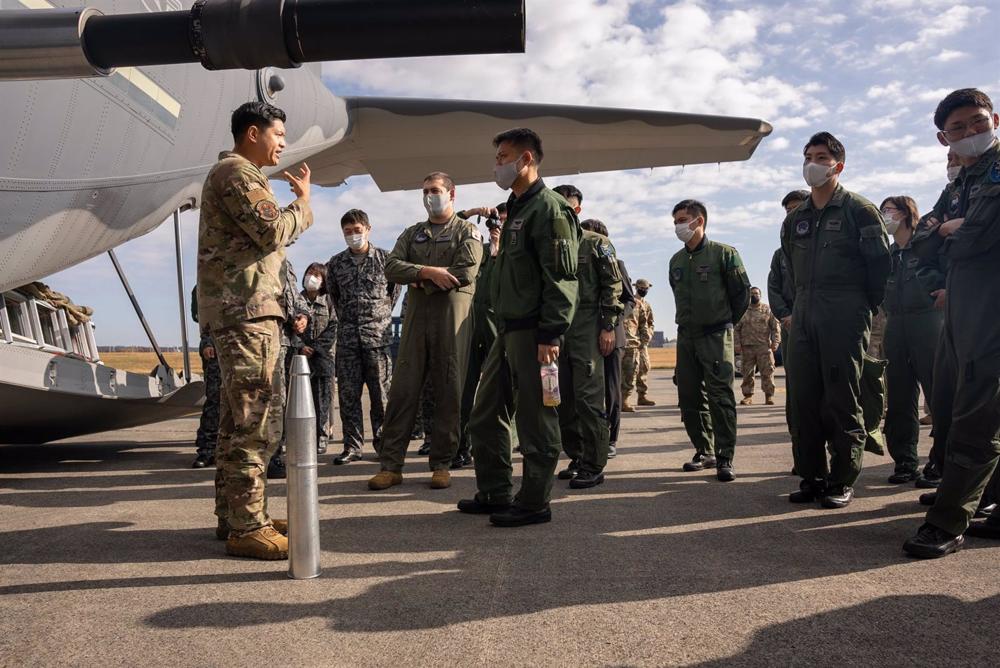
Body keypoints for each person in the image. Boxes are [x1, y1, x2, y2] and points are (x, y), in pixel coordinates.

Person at [196, 101, 313, 560]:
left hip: (242, 311)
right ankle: (248, 526)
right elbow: (271, 230)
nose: (282, 142)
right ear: (252, 133)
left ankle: (238, 516)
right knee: (255, 423)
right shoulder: (238, 174)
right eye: (278, 133)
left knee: (234, 420)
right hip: (246, 311)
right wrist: (303, 206)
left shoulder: (237, 175)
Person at [460, 127, 581, 527]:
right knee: (485, 411)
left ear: (526, 159)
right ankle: (495, 490)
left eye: (503, 157)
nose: (497, 165)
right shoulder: (517, 209)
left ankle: (534, 501)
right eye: (497, 157)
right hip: (507, 329)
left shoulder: (549, 209)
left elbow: (561, 278)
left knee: (535, 417)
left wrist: (551, 333)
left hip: (534, 332)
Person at [903, 88, 1000, 557]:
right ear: (944, 138)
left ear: (994, 119)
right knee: (956, 403)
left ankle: (947, 521)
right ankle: (993, 504)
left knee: (975, 418)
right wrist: (944, 229)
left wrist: (948, 232)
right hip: (964, 304)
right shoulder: (960, 182)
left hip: (992, 305)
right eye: (958, 128)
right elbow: (921, 240)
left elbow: (978, 239)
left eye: (977, 122)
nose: (970, 133)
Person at [780, 131, 890, 509]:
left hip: (845, 310)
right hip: (805, 311)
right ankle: (811, 475)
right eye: (808, 155)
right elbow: (788, 266)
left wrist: (861, 307)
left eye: (822, 156)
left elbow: (880, 267)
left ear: (838, 165)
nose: (813, 162)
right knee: (802, 400)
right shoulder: (796, 219)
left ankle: (842, 478)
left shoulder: (859, 210)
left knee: (842, 398)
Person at [367, 172, 483, 491]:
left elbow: (465, 272)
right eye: (426, 191)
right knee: (404, 388)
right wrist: (427, 272)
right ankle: (391, 465)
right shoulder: (412, 233)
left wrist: (417, 280)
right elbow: (391, 267)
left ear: (451, 194)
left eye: (436, 190)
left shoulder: (466, 231)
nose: (431, 196)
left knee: (449, 388)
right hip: (419, 318)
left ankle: (442, 463)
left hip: (452, 317)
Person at [669, 200, 750, 482]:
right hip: (686, 336)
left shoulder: (724, 254)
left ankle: (725, 456)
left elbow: (741, 295)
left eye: (682, 219)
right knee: (689, 396)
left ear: (699, 221)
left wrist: (724, 322)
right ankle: (704, 450)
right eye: (675, 221)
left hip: (715, 334)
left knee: (720, 397)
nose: (678, 226)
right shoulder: (676, 261)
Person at [552, 211, 623, 489]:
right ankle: (578, 457)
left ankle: (594, 463)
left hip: (588, 325)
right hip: (559, 326)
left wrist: (607, 326)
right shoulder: (554, 243)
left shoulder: (596, 243)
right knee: (563, 398)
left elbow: (612, 285)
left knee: (588, 398)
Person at [879, 196, 945, 485]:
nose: (884, 216)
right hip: (896, 323)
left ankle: (941, 462)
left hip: (928, 321)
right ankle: (905, 462)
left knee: (938, 394)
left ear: (906, 214)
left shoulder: (928, 246)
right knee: (899, 397)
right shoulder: (889, 254)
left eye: (889, 211)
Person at [326, 209, 400, 465]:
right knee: (349, 396)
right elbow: (334, 297)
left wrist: (377, 318)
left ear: (368, 229)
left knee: (381, 396)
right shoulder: (335, 264)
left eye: (357, 230)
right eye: (348, 232)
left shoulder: (386, 259)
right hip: (347, 340)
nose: (353, 235)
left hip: (377, 339)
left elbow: (394, 293)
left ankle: (384, 445)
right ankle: (352, 446)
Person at [456, 202, 509, 469]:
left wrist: (500, 250)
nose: (498, 226)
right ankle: (462, 447)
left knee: (501, 391)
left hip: (499, 330)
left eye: (504, 221)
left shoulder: (515, 254)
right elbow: (453, 229)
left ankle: (500, 445)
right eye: (496, 221)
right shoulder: (481, 252)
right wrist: (474, 212)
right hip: (472, 326)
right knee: (464, 390)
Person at [579, 219, 634, 459]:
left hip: (612, 334)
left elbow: (629, 300)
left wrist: (611, 323)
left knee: (612, 390)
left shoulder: (616, 264)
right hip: (585, 334)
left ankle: (611, 438)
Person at [265, 258, 310, 480]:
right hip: (264, 341)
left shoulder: (285, 262)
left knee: (281, 403)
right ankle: (266, 458)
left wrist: (303, 317)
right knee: (267, 402)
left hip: (285, 343)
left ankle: (275, 455)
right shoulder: (252, 256)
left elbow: (295, 298)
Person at [296, 262, 337, 454]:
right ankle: (301, 437)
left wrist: (316, 348)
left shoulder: (329, 300)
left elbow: (334, 327)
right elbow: (288, 326)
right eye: (309, 272)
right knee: (300, 399)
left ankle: (321, 436)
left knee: (322, 399)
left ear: (323, 281)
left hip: (323, 357)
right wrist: (300, 346)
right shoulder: (297, 300)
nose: (311, 277)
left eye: (316, 274)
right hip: (299, 357)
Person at [769, 190, 809, 365]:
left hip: (821, 321)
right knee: (795, 374)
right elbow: (773, 287)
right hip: (789, 324)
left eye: (797, 208)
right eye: (788, 210)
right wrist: (785, 316)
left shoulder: (825, 246)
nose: (792, 213)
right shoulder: (780, 255)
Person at [190, 285, 220, 469]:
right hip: (215, 348)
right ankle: (207, 450)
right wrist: (208, 342)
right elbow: (201, 318)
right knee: (214, 401)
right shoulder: (204, 284)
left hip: (240, 348)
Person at [735, 287, 780, 405]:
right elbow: (736, 329)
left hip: (764, 347)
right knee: (747, 373)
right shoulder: (743, 310)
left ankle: (769, 396)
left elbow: (775, 327)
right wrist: (737, 344)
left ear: (760, 295)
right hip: (747, 347)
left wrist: (775, 342)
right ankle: (748, 396)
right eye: (752, 294)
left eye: (756, 293)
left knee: (768, 372)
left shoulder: (767, 310)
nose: (754, 295)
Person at [622, 279, 655, 411]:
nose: (644, 290)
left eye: (646, 288)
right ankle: (621, 399)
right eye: (642, 288)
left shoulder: (644, 305)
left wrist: (646, 338)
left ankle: (640, 395)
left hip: (638, 342)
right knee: (626, 371)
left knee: (642, 368)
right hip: (624, 341)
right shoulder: (626, 301)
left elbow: (648, 323)